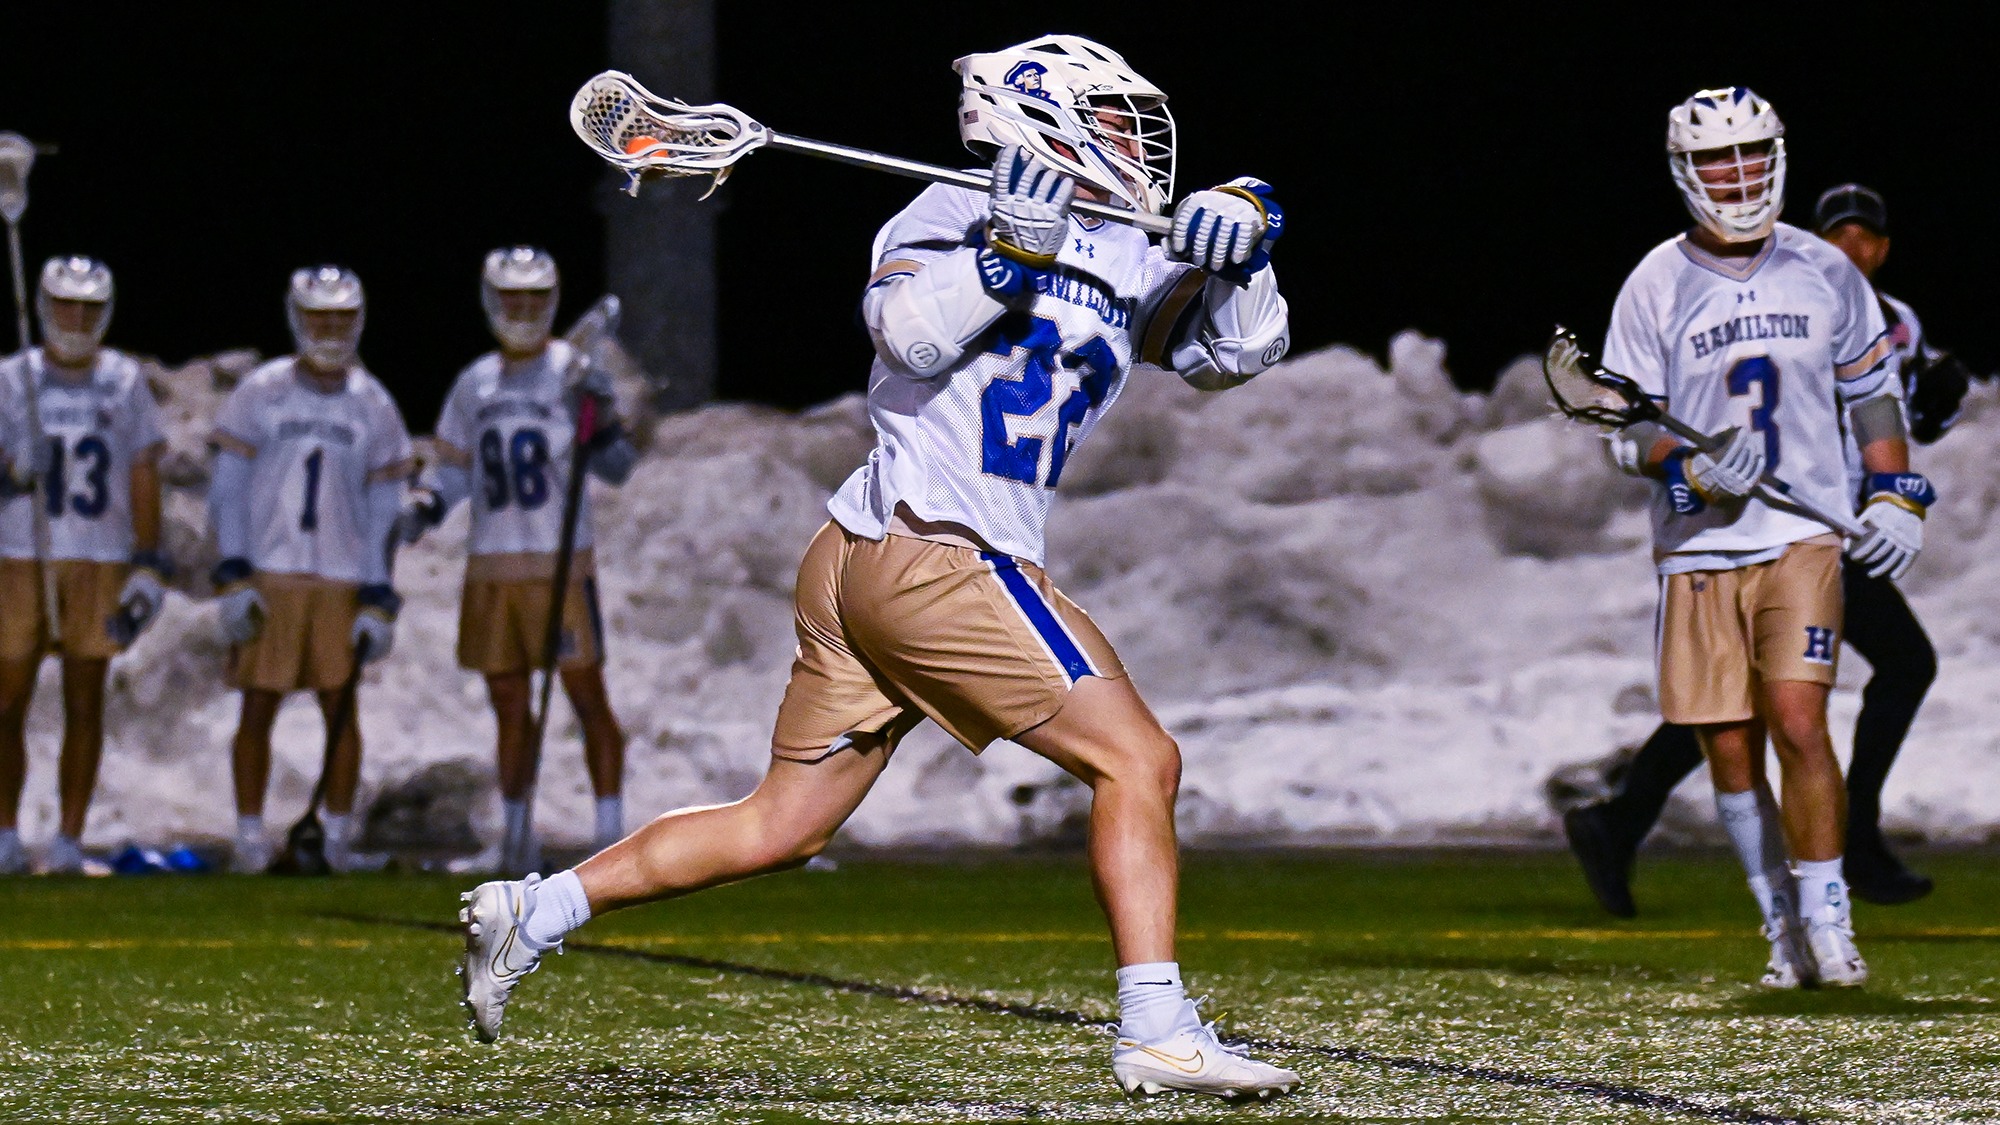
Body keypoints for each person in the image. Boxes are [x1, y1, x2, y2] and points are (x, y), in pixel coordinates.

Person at [458, 34, 1300, 1100]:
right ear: (1045, 121)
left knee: (781, 825)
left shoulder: (1124, 247)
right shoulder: (946, 211)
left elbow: (1234, 355)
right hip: (935, 551)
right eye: (1115, 121)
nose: (1139, 145)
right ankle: (1156, 1028)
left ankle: (534, 910)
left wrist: (1247, 247)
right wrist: (1006, 252)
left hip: (873, 555)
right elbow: (907, 336)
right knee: (1139, 761)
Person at [1585, 88, 1930, 989]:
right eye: (1715, 159)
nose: (1736, 175)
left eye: (1749, 154)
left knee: (1800, 720)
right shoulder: (1655, 282)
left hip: (1802, 534)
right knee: (1730, 748)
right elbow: (1624, 431)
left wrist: (1894, 492)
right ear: (1684, 171)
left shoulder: (1825, 268)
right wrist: (1688, 465)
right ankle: (1780, 926)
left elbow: (1872, 392)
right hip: (1700, 543)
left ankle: (1829, 921)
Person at [1563, 182, 1979, 915]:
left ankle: (1621, 818)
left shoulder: (1895, 322)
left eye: (1865, 236)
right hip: (1786, 519)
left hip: (1838, 520)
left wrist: (1930, 415)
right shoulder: (1784, 300)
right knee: (1878, 668)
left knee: (1764, 689)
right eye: (1837, 233)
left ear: (1883, 249)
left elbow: (1886, 414)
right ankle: (1852, 838)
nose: (1851, 248)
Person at [398, 246, 637, 873]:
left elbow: (618, 467)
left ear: (552, 302)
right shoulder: (475, 382)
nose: (523, 310)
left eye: (534, 299)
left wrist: (600, 417)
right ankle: (516, 835)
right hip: (493, 562)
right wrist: (426, 505)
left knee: (586, 694)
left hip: (559, 561)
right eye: (511, 299)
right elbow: (457, 469)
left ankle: (610, 835)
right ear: (490, 302)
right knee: (508, 701)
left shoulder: (572, 370)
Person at [208, 266, 414, 873]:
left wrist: (378, 591)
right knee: (258, 705)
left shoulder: (374, 403)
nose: (329, 330)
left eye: (341, 319)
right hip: (271, 569)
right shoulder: (261, 392)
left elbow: (384, 509)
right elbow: (229, 488)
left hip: (341, 576)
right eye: (318, 318)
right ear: (297, 318)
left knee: (340, 709)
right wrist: (234, 572)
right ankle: (249, 835)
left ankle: (339, 837)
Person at [0, 256, 169, 874]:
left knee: (85, 699)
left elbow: (142, 470)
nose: (76, 318)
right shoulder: (11, 377)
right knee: (7, 701)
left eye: (88, 308)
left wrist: (148, 561)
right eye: (65, 305)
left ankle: (69, 838)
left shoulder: (123, 381)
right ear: (44, 307)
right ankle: (5, 833)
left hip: (99, 553)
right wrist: (12, 472)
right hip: (21, 552)